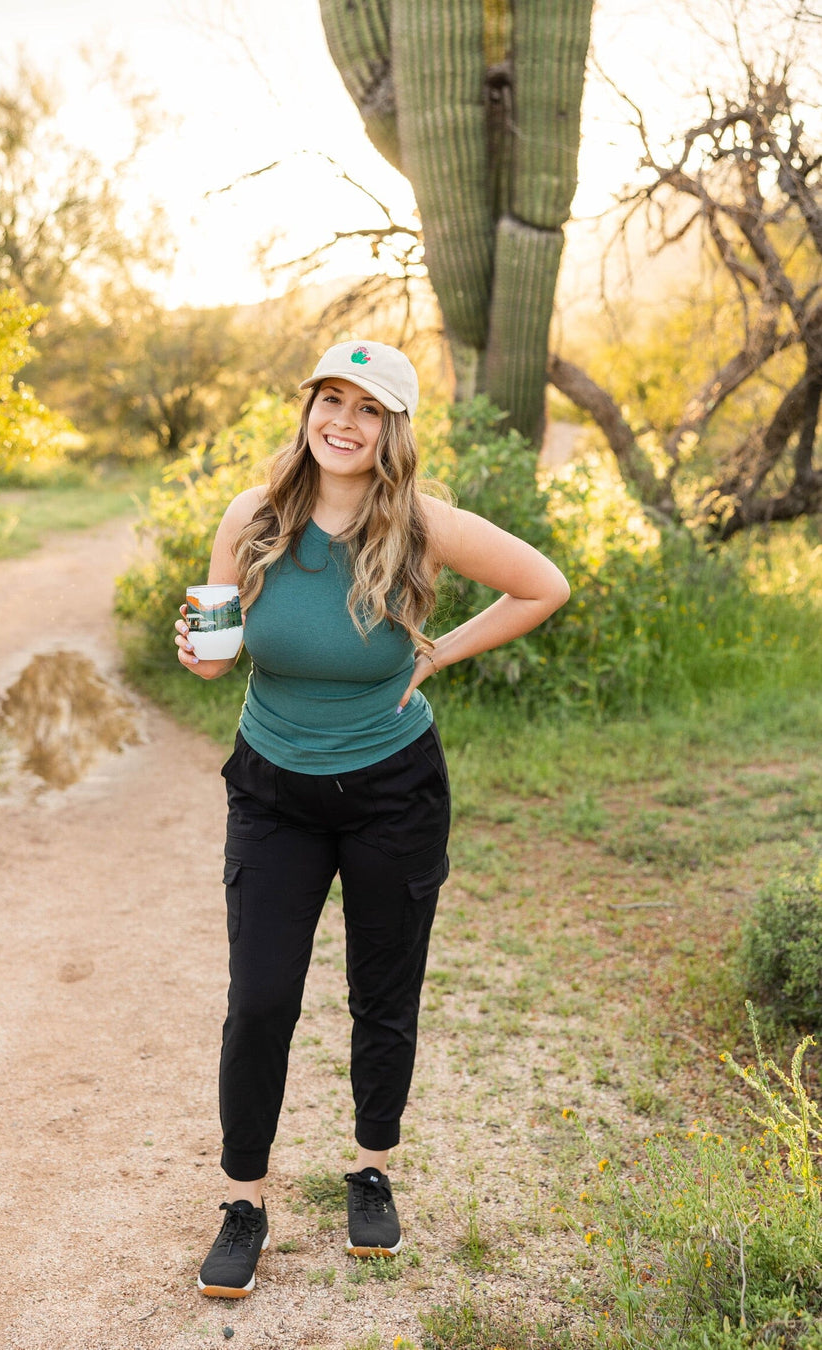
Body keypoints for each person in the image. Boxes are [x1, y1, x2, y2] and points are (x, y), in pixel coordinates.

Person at [173, 339, 570, 1299]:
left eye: (367, 408)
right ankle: (245, 1202)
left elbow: (542, 586)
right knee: (261, 998)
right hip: (273, 789)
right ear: (307, 409)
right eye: (330, 401)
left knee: (382, 991)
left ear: (394, 428)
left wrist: (434, 658)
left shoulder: (425, 525)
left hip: (394, 788)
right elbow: (221, 651)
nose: (342, 423)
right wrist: (201, 657)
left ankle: (371, 1170)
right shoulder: (252, 515)